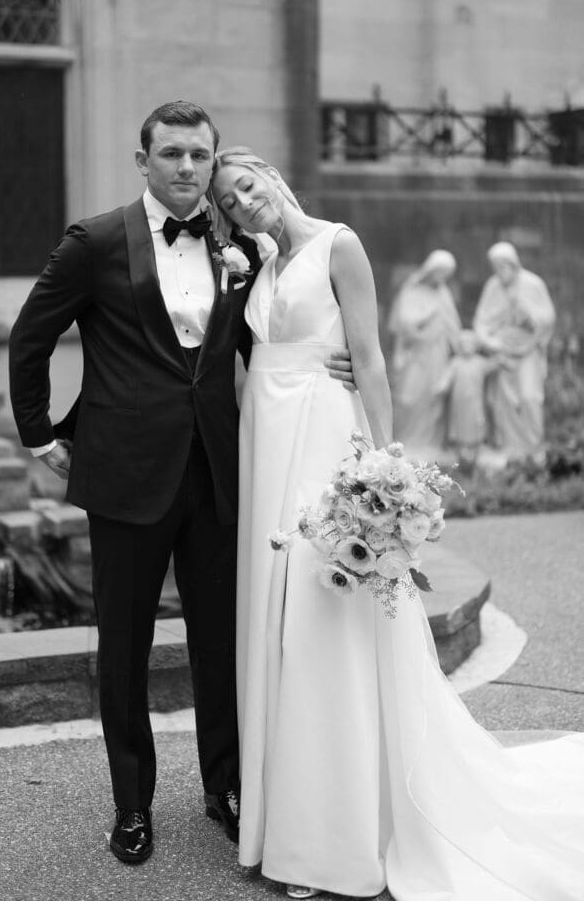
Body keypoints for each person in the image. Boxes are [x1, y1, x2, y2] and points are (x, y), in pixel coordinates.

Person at [210, 146, 584, 901]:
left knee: (326, 619)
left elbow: (370, 358)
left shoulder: (338, 244)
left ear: (274, 175)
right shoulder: (258, 264)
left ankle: (336, 841)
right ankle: (286, 816)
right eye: (229, 201)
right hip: (264, 446)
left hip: (319, 441)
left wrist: (384, 471)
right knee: (277, 623)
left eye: (247, 186)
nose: (243, 204)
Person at [8, 101, 353, 867]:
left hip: (222, 472)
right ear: (143, 161)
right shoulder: (94, 242)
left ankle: (225, 789)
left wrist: (347, 360)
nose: (188, 168)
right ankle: (132, 805)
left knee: (220, 644)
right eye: (171, 154)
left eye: (200, 154)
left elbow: (294, 320)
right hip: (124, 475)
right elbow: (30, 337)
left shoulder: (243, 245)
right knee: (124, 648)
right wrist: (40, 433)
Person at [473, 241, 556, 462]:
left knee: (529, 397)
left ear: (513, 263)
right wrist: (491, 343)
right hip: (502, 352)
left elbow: (547, 318)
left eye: (502, 266)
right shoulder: (493, 286)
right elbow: (481, 321)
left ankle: (533, 447)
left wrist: (529, 316)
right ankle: (510, 447)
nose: (499, 272)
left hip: (528, 350)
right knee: (504, 401)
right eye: (495, 267)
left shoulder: (533, 283)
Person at [388, 250, 461, 457]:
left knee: (433, 399)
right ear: (431, 270)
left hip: (437, 353)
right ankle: (406, 442)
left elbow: (452, 323)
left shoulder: (443, 293)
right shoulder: (411, 290)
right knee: (409, 398)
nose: (443, 279)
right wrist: (426, 315)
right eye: (441, 273)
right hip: (415, 354)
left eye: (447, 275)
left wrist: (462, 347)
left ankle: (430, 443)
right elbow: (403, 323)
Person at [437, 328, 506, 466]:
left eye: (469, 343)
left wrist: (499, 354)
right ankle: (461, 449)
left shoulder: (479, 362)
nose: (466, 346)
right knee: (460, 422)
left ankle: (475, 448)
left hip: (475, 401)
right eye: (463, 344)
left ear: (475, 346)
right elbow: (447, 376)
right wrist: (442, 385)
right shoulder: (456, 362)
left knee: (476, 421)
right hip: (459, 402)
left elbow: (493, 365)